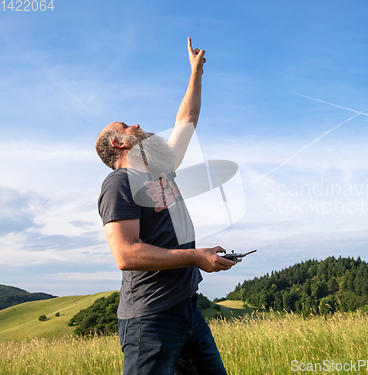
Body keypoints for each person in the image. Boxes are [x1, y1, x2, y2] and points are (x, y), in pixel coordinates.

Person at [95, 37, 235, 375]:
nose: (137, 125)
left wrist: (195, 72)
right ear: (118, 142)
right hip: (150, 320)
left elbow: (186, 119)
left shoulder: (161, 169)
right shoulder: (118, 184)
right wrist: (196, 256)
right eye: (126, 126)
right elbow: (126, 255)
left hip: (187, 311)